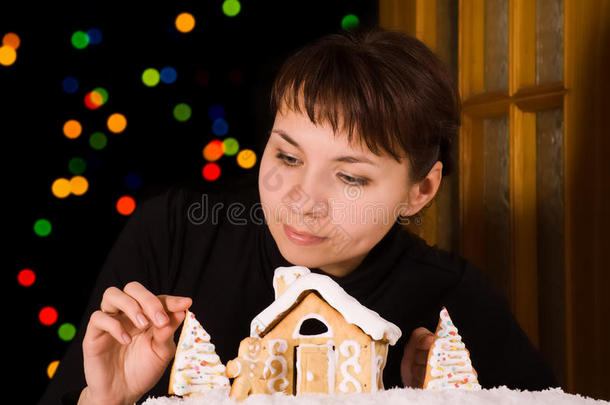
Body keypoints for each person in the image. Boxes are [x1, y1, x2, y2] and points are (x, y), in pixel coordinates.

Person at [38, 26, 557, 405]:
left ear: (420, 192)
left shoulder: (452, 305)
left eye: (350, 177)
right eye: (287, 157)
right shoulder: (175, 231)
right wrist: (105, 401)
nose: (303, 201)